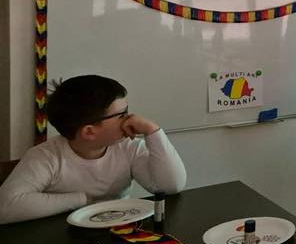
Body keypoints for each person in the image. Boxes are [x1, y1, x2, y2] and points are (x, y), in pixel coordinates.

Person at [0, 75, 186, 225]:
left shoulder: (128, 147)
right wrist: (82, 200)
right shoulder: (45, 156)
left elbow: (170, 187)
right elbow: (6, 208)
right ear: (89, 132)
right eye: (121, 115)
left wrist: (153, 131)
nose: (131, 118)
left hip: (118, 233)